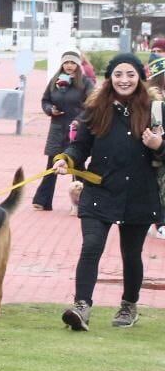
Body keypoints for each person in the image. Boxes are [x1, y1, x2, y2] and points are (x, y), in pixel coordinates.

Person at [55, 54, 162, 331]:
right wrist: (66, 159)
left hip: (139, 192)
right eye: (118, 74)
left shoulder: (154, 109)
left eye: (130, 74)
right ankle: (81, 306)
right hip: (100, 188)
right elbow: (80, 146)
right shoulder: (95, 108)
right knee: (91, 246)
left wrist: (158, 145)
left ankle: (129, 305)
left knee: (131, 253)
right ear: (109, 78)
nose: (123, 80)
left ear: (139, 77)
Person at [31, 50, 91, 211]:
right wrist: (50, 109)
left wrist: (79, 120)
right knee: (52, 164)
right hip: (57, 128)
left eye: (72, 63)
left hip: (77, 129)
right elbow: (45, 100)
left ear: (78, 64)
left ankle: (85, 201)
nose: (69, 66)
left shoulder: (85, 82)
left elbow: (92, 105)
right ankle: (43, 200)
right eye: (66, 63)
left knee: (77, 165)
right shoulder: (55, 81)